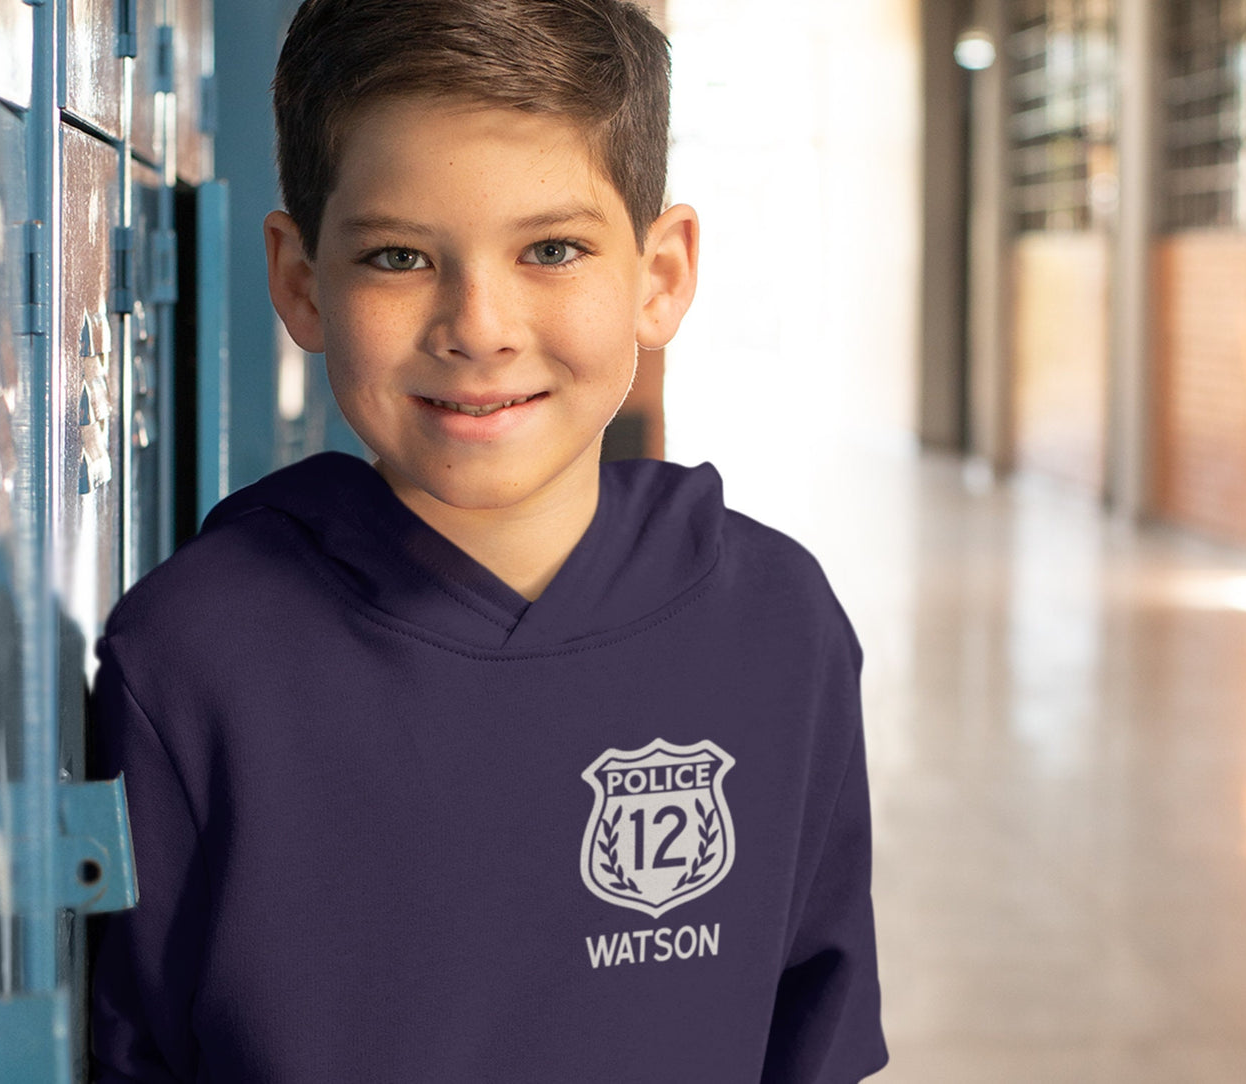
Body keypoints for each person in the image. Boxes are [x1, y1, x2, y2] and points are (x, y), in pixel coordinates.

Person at [88, 0, 888, 1079]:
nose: (479, 324)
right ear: (297, 281)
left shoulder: (774, 626)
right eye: (398, 257)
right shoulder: (190, 659)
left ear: (659, 276)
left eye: (550, 249)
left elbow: (814, 1034)